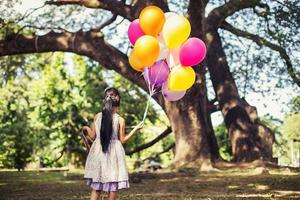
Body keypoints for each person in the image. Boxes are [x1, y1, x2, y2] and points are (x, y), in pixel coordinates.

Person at [83, 87, 143, 200]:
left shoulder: (97, 116)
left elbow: (92, 137)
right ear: (118, 101)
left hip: (99, 153)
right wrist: (135, 129)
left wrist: (86, 128)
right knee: (112, 187)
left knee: (96, 188)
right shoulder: (120, 120)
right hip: (114, 154)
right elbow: (123, 140)